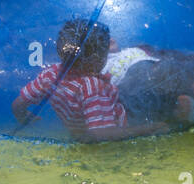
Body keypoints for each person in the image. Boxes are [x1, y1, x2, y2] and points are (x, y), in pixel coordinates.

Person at [12, 19, 169, 142]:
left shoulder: (50, 74)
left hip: (79, 135)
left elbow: (18, 104)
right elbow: (101, 134)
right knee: (157, 95)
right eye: (104, 53)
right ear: (95, 59)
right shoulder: (92, 87)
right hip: (121, 124)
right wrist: (146, 130)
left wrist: (24, 116)